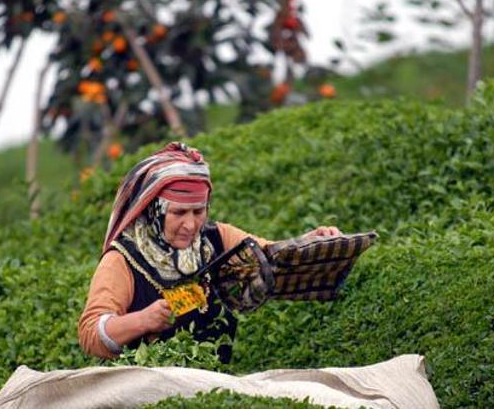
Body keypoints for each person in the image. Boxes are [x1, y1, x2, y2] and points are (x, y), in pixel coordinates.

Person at [78, 142, 340, 363]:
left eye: (198, 211)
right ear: (153, 211)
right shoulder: (122, 260)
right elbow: (90, 333)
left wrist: (312, 241)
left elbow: (271, 256)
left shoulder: (218, 238)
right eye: (179, 213)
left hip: (216, 382)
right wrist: (142, 321)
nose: (191, 224)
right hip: (150, 388)